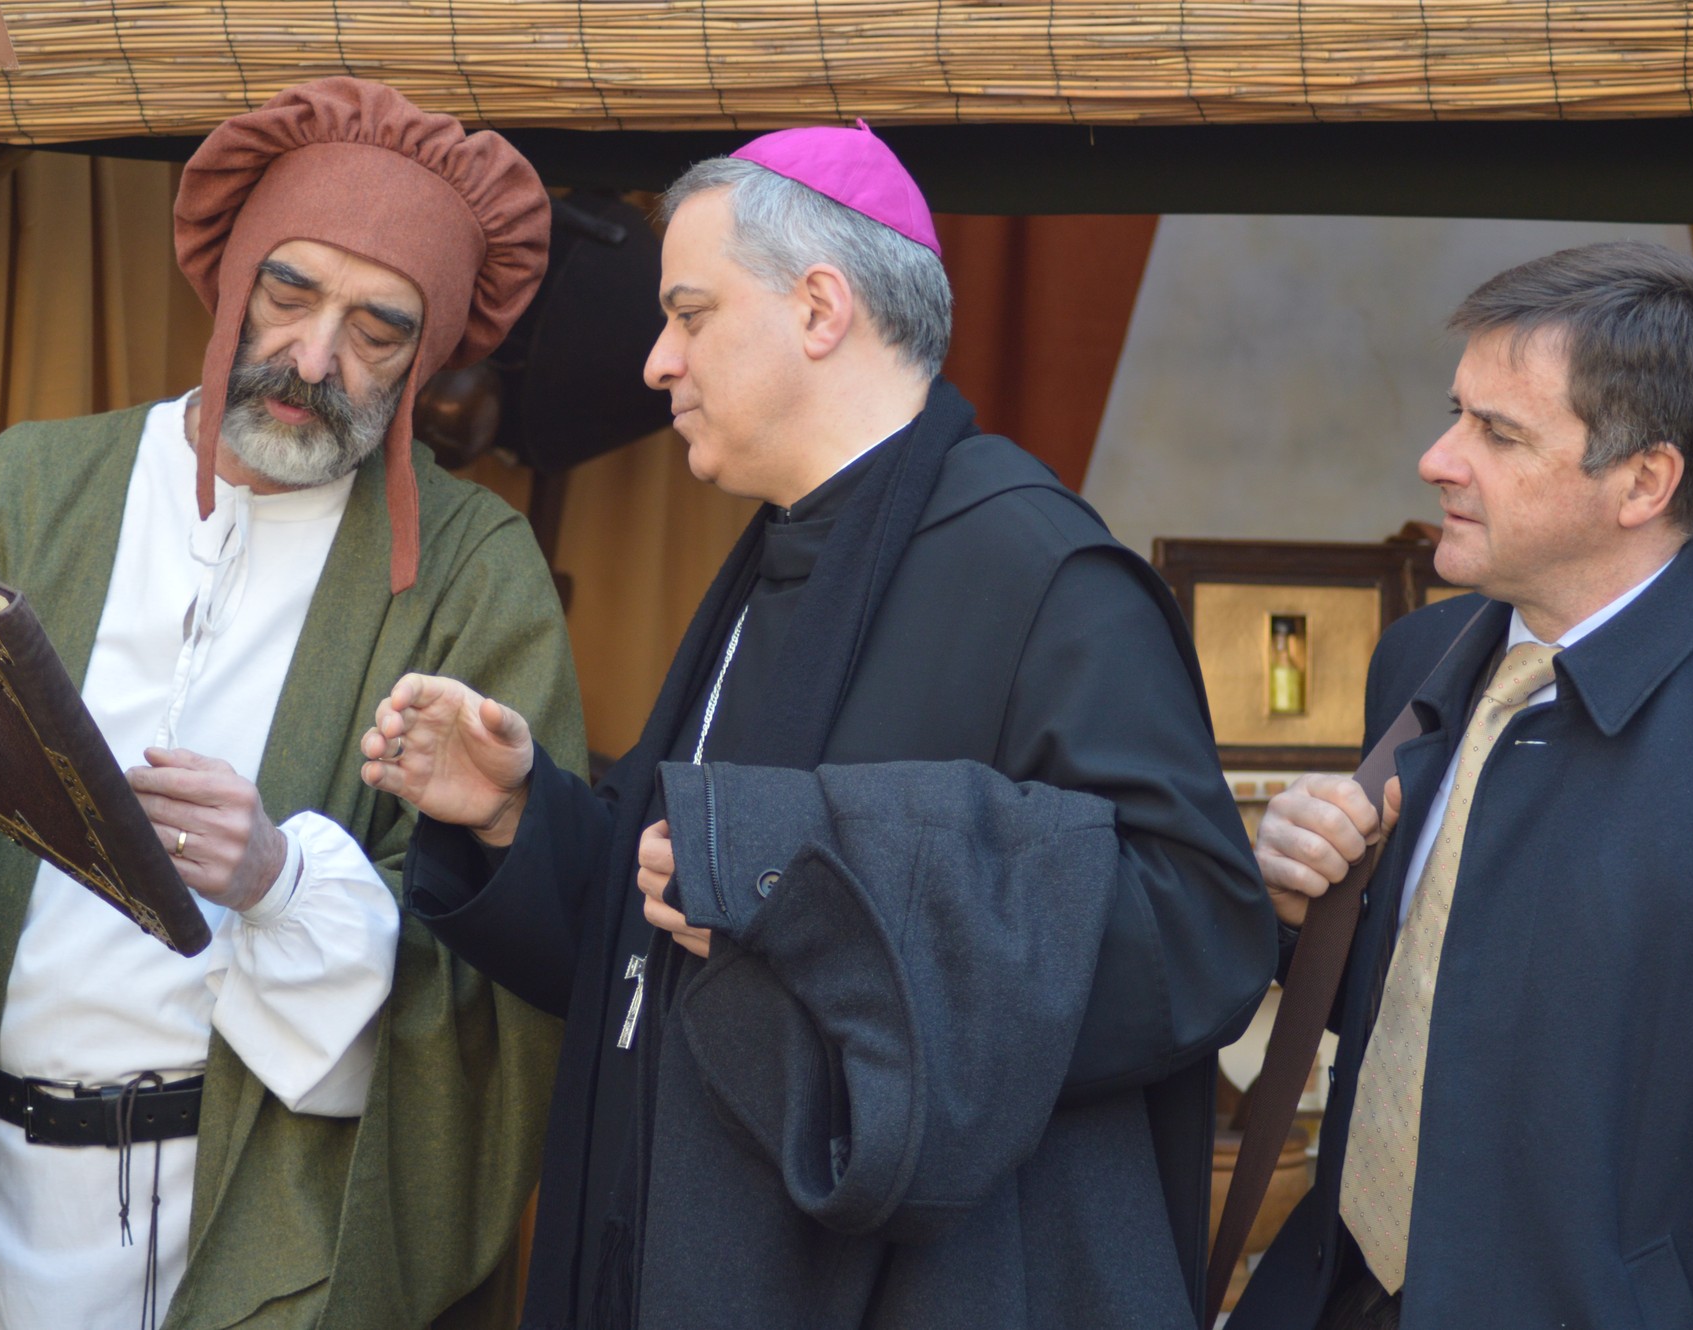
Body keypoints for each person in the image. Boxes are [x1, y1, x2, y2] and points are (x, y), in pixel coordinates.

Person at [362, 123, 1276, 1328]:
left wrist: (802, 867)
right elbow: (673, 930)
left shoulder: (1040, 568)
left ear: (818, 308)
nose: (655, 362)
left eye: (688, 315)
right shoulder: (775, 556)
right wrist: (517, 814)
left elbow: (1198, 933)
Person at [0, 78, 583, 1330]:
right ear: (229, 281)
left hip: (252, 1230)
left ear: (429, 354)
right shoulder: (25, 488)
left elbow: (507, 970)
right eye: (290, 292)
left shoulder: (474, 575)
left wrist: (278, 878)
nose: (315, 360)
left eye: (378, 329)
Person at [1231, 241, 1693, 1329]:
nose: (1437, 459)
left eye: (1497, 433)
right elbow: (1416, 1020)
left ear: (1644, 482)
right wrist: (1300, 904)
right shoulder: (1416, 659)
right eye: (1455, 413)